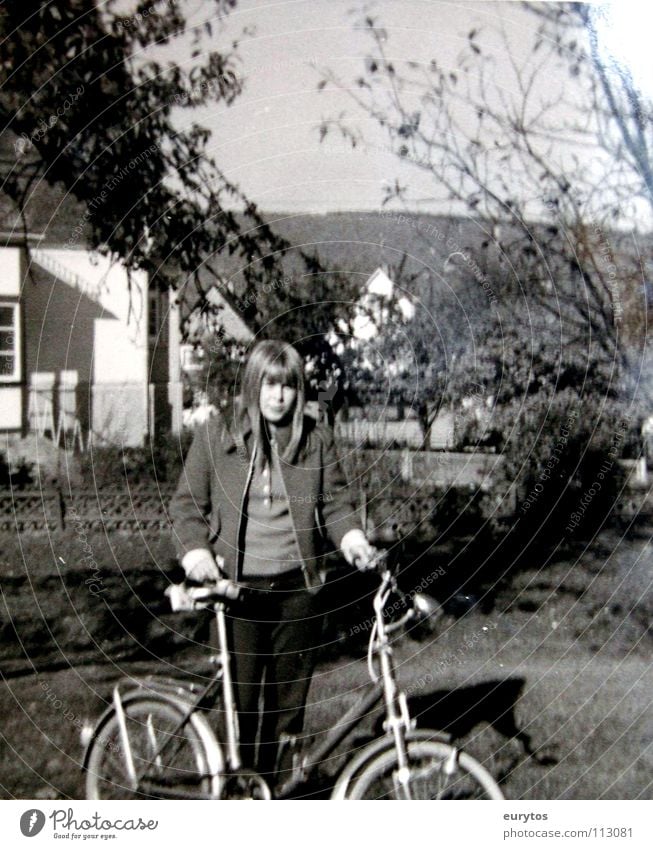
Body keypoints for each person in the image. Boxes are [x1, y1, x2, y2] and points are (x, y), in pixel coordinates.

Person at [169, 339, 375, 783]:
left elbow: (335, 504)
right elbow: (186, 505)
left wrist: (353, 540)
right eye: (268, 384)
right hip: (236, 592)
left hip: (297, 591)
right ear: (252, 385)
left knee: (288, 705)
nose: (277, 395)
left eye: (287, 386)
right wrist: (198, 554)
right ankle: (239, 790)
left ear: (299, 390)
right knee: (240, 704)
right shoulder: (216, 435)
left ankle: (276, 791)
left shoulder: (315, 439)